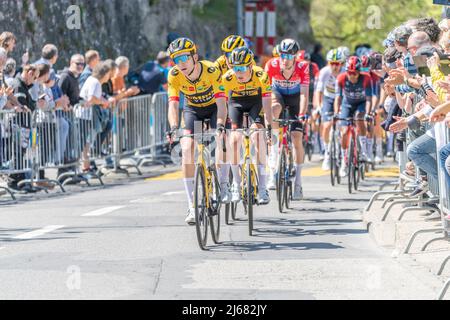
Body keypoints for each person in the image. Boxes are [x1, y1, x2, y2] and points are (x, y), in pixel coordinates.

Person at [166, 37, 227, 225]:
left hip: (214, 108)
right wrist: (174, 128)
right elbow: (173, 105)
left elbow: (222, 103)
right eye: (177, 59)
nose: (181, 63)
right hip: (193, 110)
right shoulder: (174, 75)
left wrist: (220, 125)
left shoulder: (211, 70)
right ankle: (192, 205)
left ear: (195, 56)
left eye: (185, 57)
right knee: (186, 149)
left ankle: (222, 186)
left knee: (219, 145)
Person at [223, 46, 273, 205]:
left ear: (251, 65)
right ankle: (236, 185)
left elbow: (267, 103)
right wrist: (222, 127)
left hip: (255, 104)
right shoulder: (227, 78)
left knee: (258, 137)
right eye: (235, 68)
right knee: (234, 140)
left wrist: (269, 126)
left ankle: (263, 187)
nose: (239, 72)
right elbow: (223, 104)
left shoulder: (261, 75)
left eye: (242, 68)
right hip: (235, 104)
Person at [265, 38, 309, 200]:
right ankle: (273, 165)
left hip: (296, 99)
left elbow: (304, 94)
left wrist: (303, 114)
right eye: (282, 55)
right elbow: (266, 92)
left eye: (289, 56)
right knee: (274, 109)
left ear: (295, 57)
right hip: (278, 95)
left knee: (296, 139)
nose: (285, 59)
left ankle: (298, 182)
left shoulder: (303, 67)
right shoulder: (271, 65)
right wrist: (268, 121)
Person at [335, 56, 373, 177]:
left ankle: (363, 151)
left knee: (359, 118)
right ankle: (344, 162)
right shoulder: (341, 78)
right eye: (350, 73)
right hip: (347, 104)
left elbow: (368, 99)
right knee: (344, 131)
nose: (352, 76)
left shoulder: (366, 78)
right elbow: (338, 97)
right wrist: (336, 112)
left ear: (359, 71)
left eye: (355, 73)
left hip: (361, 104)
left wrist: (367, 113)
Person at [315, 49, 345, 171]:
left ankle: (343, 153)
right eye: (331, 63)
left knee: (342, 126)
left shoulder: (345, 72)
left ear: (342, 64)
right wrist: (318, 106)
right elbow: (319, 91)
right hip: (328, 97)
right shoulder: (324, 72)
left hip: (342, 97)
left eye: (337, 63)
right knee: (326, 126)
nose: (334, 66)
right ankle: (327, 152)